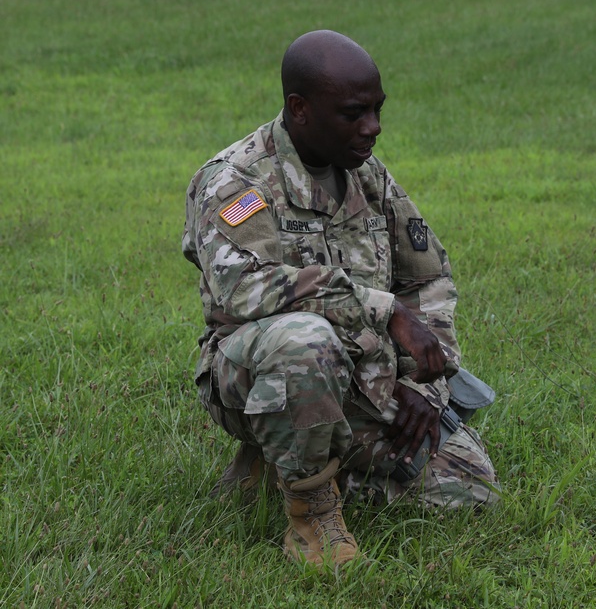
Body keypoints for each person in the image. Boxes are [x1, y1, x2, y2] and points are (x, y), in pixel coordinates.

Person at [181, 30, 500, 569]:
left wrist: (426, 383)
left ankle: (282, 461)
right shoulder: (238, 182)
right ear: (299, 109)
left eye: (377, 110)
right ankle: (313, 511)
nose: (372, 128)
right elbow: (243, 289)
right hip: (257, 370)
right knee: (305, 338)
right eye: (354, 113)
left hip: (363, 375)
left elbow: (428, 279)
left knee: (470, 489)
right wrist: (382, 309)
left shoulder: (366, 173)